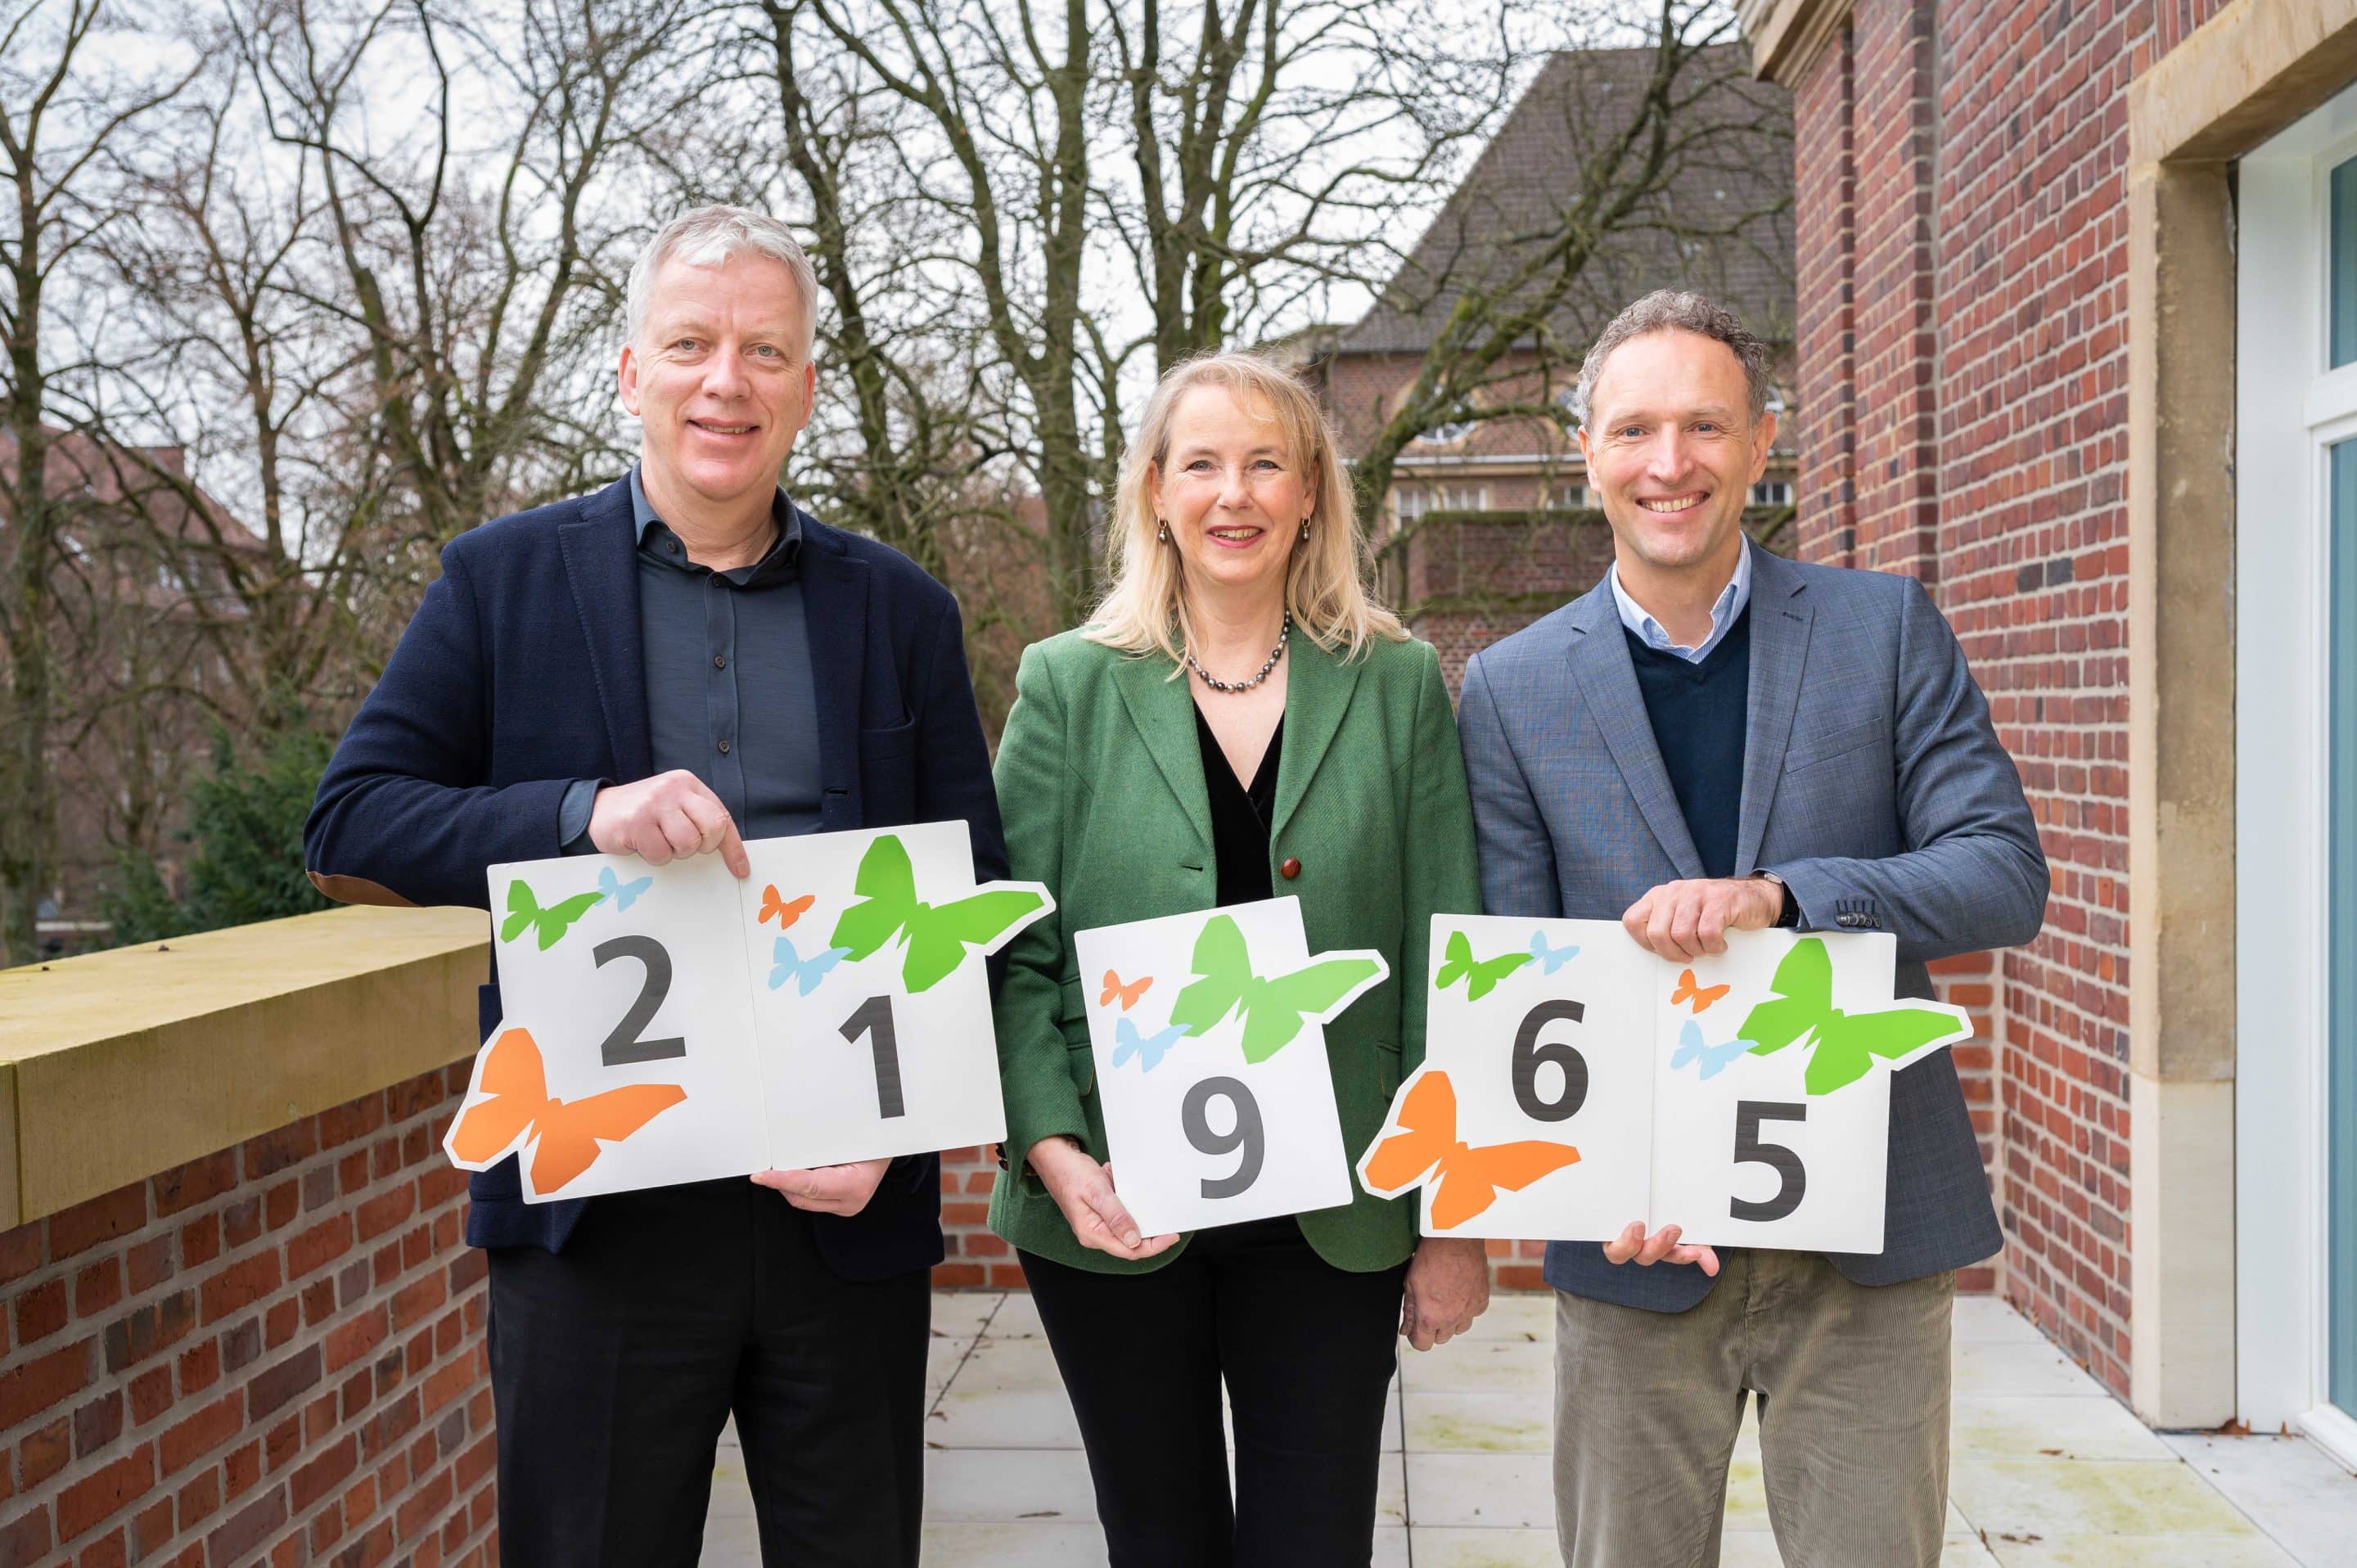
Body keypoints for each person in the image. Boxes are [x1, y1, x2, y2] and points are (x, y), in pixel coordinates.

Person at [303, 205, 1005, 1567]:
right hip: (600, 1226)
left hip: (841, 1207)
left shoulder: (900, 611)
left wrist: (903, 1129)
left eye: (763, 351)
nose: (724, 381)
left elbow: (971, 891)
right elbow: (350, 824)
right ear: (630, 371)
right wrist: (581, 814)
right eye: (689, 344)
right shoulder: (500, 583)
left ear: (806, 385)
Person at [1458, 291, 2048, 1567]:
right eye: (1634, 431)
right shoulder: (1512, 686)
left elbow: (2004, 874)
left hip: (1869, 1245)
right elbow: (1519, 968)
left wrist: (1787, 895)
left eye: (1703, 427)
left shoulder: (1881, 631)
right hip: (1635, 1255)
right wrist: (1593, 1176)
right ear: (1587, 454)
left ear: (1763, 442)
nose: (1669, 464)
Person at [986, 351, 1487, 1566]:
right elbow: (1011, 947)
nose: (1235, 494)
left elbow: (1445, 957)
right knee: (1159, 1542)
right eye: (1202, 463)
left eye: (1267, 462)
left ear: (1312, 491)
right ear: (1155, 490)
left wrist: (1455, 1217)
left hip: (1339, 1210)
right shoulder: (1068, 686)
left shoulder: (1399, 682)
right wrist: (1052, 1147)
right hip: (1115, 1200)